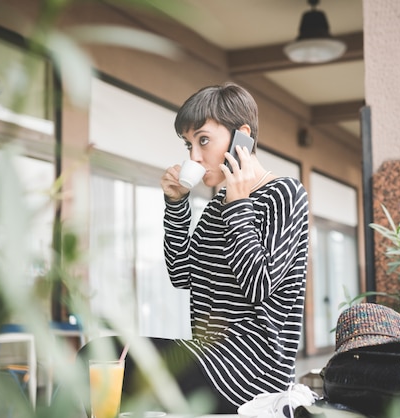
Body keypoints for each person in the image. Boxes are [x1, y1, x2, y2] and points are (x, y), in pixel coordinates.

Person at [78, 82, 309, 414]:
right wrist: (176, 206)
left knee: (102, 357)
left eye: (203, 140)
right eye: (188, 145)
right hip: (209, 356)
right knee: (100, 359)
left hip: (253, 370)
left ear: (242, 136)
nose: (194, 157)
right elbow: (181, 274)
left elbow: (259, 286)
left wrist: (238, 204)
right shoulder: (218, 206)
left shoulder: (284, 193)